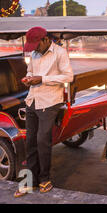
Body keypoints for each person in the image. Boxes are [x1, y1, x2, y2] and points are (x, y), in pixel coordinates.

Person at [14, 27, 74, 197]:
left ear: (45, 40)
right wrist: (29, 78)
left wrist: (43, 79)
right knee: (30, 142)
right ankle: (28, 182)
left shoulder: (59, 53)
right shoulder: (34, 54)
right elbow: (30, 71)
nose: (34, 49)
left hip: (50, 102)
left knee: (42, 141)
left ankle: (44, 179)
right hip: (32, 100)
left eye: (36, 45)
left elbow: (68, 76)